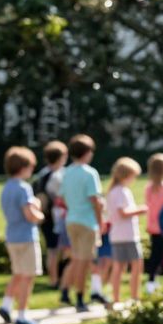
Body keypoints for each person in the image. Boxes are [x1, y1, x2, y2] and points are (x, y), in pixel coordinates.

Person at [0, 146, 45, 324]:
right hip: (26, 236)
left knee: (17, 274)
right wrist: (40, 212)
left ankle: (6, 305)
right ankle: (22, 314)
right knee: (28, 276)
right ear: (23, 167)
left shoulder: (6, 187)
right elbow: (30, 215)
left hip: (12, 236)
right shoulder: (24, 188)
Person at [60, 134, 104, 313]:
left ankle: (65, 290)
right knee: (84, 262)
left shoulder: (66, 172)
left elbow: (63, 198)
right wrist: (101, 222)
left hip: (71, 220)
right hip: (87, 222)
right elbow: (95, 201)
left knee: (77, 258)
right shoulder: (89, 173)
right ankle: (80, 297)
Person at [106, 157, 147, 304]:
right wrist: (140, 210)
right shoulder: (121, 191)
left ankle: (116, 298)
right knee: (136, 266)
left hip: (117, 235)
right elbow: (122, 213)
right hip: (127, 235)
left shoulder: (113, 191)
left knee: (118, 267)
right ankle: (134, 296)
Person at [34, 140, 68, 287]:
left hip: (46, 216)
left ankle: (55, 278)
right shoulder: (56, 176)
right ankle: (55, 280)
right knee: (55, 249)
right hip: (54, 217)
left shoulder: (43, 174)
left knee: (52, 248)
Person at [144, 152, 163, 293]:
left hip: (153, 226)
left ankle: (152, 280)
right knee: (160, 255)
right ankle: (152, 280)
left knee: (155, 254)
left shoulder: (149, 187)